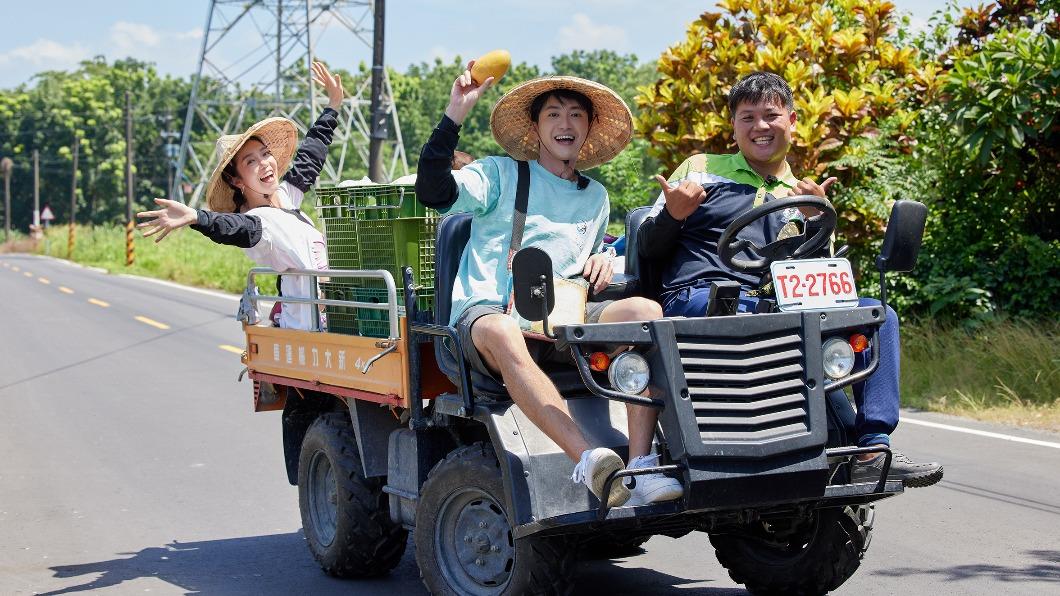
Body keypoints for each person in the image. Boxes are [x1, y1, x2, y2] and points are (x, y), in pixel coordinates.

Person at [637, 71, 943, 488]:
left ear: (793, 121)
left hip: (776, 304)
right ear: (733, 126)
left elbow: (823, 282)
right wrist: (672, 214)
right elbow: (648, 249)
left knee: (877, 314)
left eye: (770, 115)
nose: (759, 127)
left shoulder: (804, 194)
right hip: (696, 299)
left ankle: (872, 445)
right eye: (747, 117)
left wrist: (817, 219)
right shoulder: (700, 170)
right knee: (746, 313)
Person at [414, 64, 684, 507]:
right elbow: (434, 192)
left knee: (646, 313)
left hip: (562, 317)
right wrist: (454, 115)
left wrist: (605, 255)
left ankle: (639, 465)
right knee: (501, 331)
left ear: (588, 128)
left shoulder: (597, 197)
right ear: (536, 128)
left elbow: (588, 258)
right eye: (554, 114)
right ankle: (591, 460)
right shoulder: (500, 175)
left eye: (576, 115)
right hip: (490, 315)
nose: (565, 124)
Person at [137, 61, 344, 330]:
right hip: (308, 331)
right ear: (237, 180)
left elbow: (310, 156)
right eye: (251, 162)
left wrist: (333, 105)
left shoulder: (286, 197)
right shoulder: (259, 221)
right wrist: (197, 218)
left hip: (333, 319)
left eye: (265, 154)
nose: (265, 164)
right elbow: (235, 228)